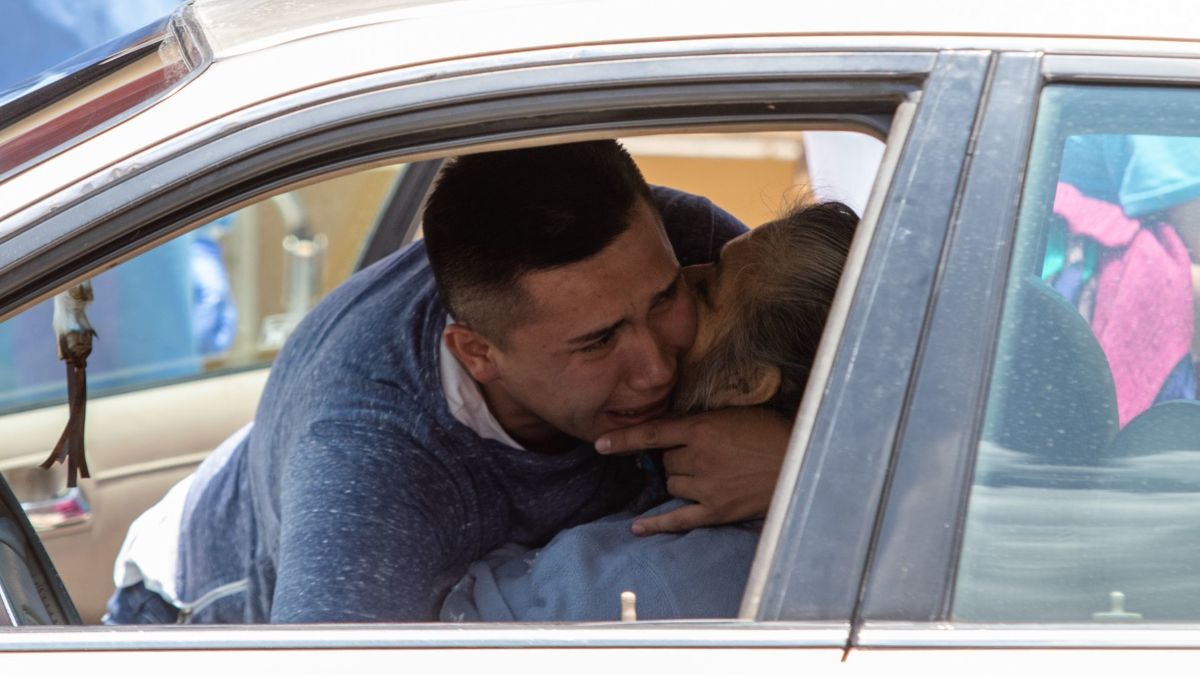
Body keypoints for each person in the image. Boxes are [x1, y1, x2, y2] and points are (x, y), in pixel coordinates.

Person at [106, 140, 794, 624]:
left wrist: (794, 460)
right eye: (598, 341)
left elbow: (885, 399)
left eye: (668, 298)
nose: (656, 366)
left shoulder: (691, 245)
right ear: (477, 352)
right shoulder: (369, 465)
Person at [440, 201, 859, 622]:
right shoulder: (854, 542)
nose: (685, 275)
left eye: (706, 289)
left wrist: (807, 472)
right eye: (598, 340)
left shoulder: (639, 584)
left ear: (746, 383)